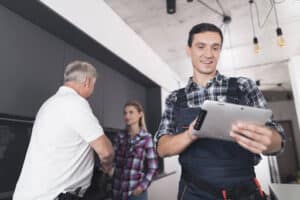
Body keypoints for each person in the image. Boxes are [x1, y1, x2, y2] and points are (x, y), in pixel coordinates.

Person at [154, 23, 285, 200]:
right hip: (193, 193)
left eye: (215, 48)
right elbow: (162, 148)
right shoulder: (175, 99)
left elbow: (277, 140)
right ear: (188, 50)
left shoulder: (244, 86)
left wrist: (269, 140)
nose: (209, 54)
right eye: (201, 47)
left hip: (244, 193)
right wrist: (191, 134)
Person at [13, 60, 114, 200]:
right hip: (54, 196)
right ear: (87, 81)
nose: (93, 90)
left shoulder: (49, 104)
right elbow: (106, 151)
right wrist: (107, 167)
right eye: (94, 85)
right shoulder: (76, 104)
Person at [112, 101, 158, 200]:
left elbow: (153, 168)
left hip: (135, 194)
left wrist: (142, 187)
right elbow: (113, 160)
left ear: (140, 114)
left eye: (131, 112)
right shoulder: (120, 136)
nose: (127, 116)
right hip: (117, 191)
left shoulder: (146, 138)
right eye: (125, 113)